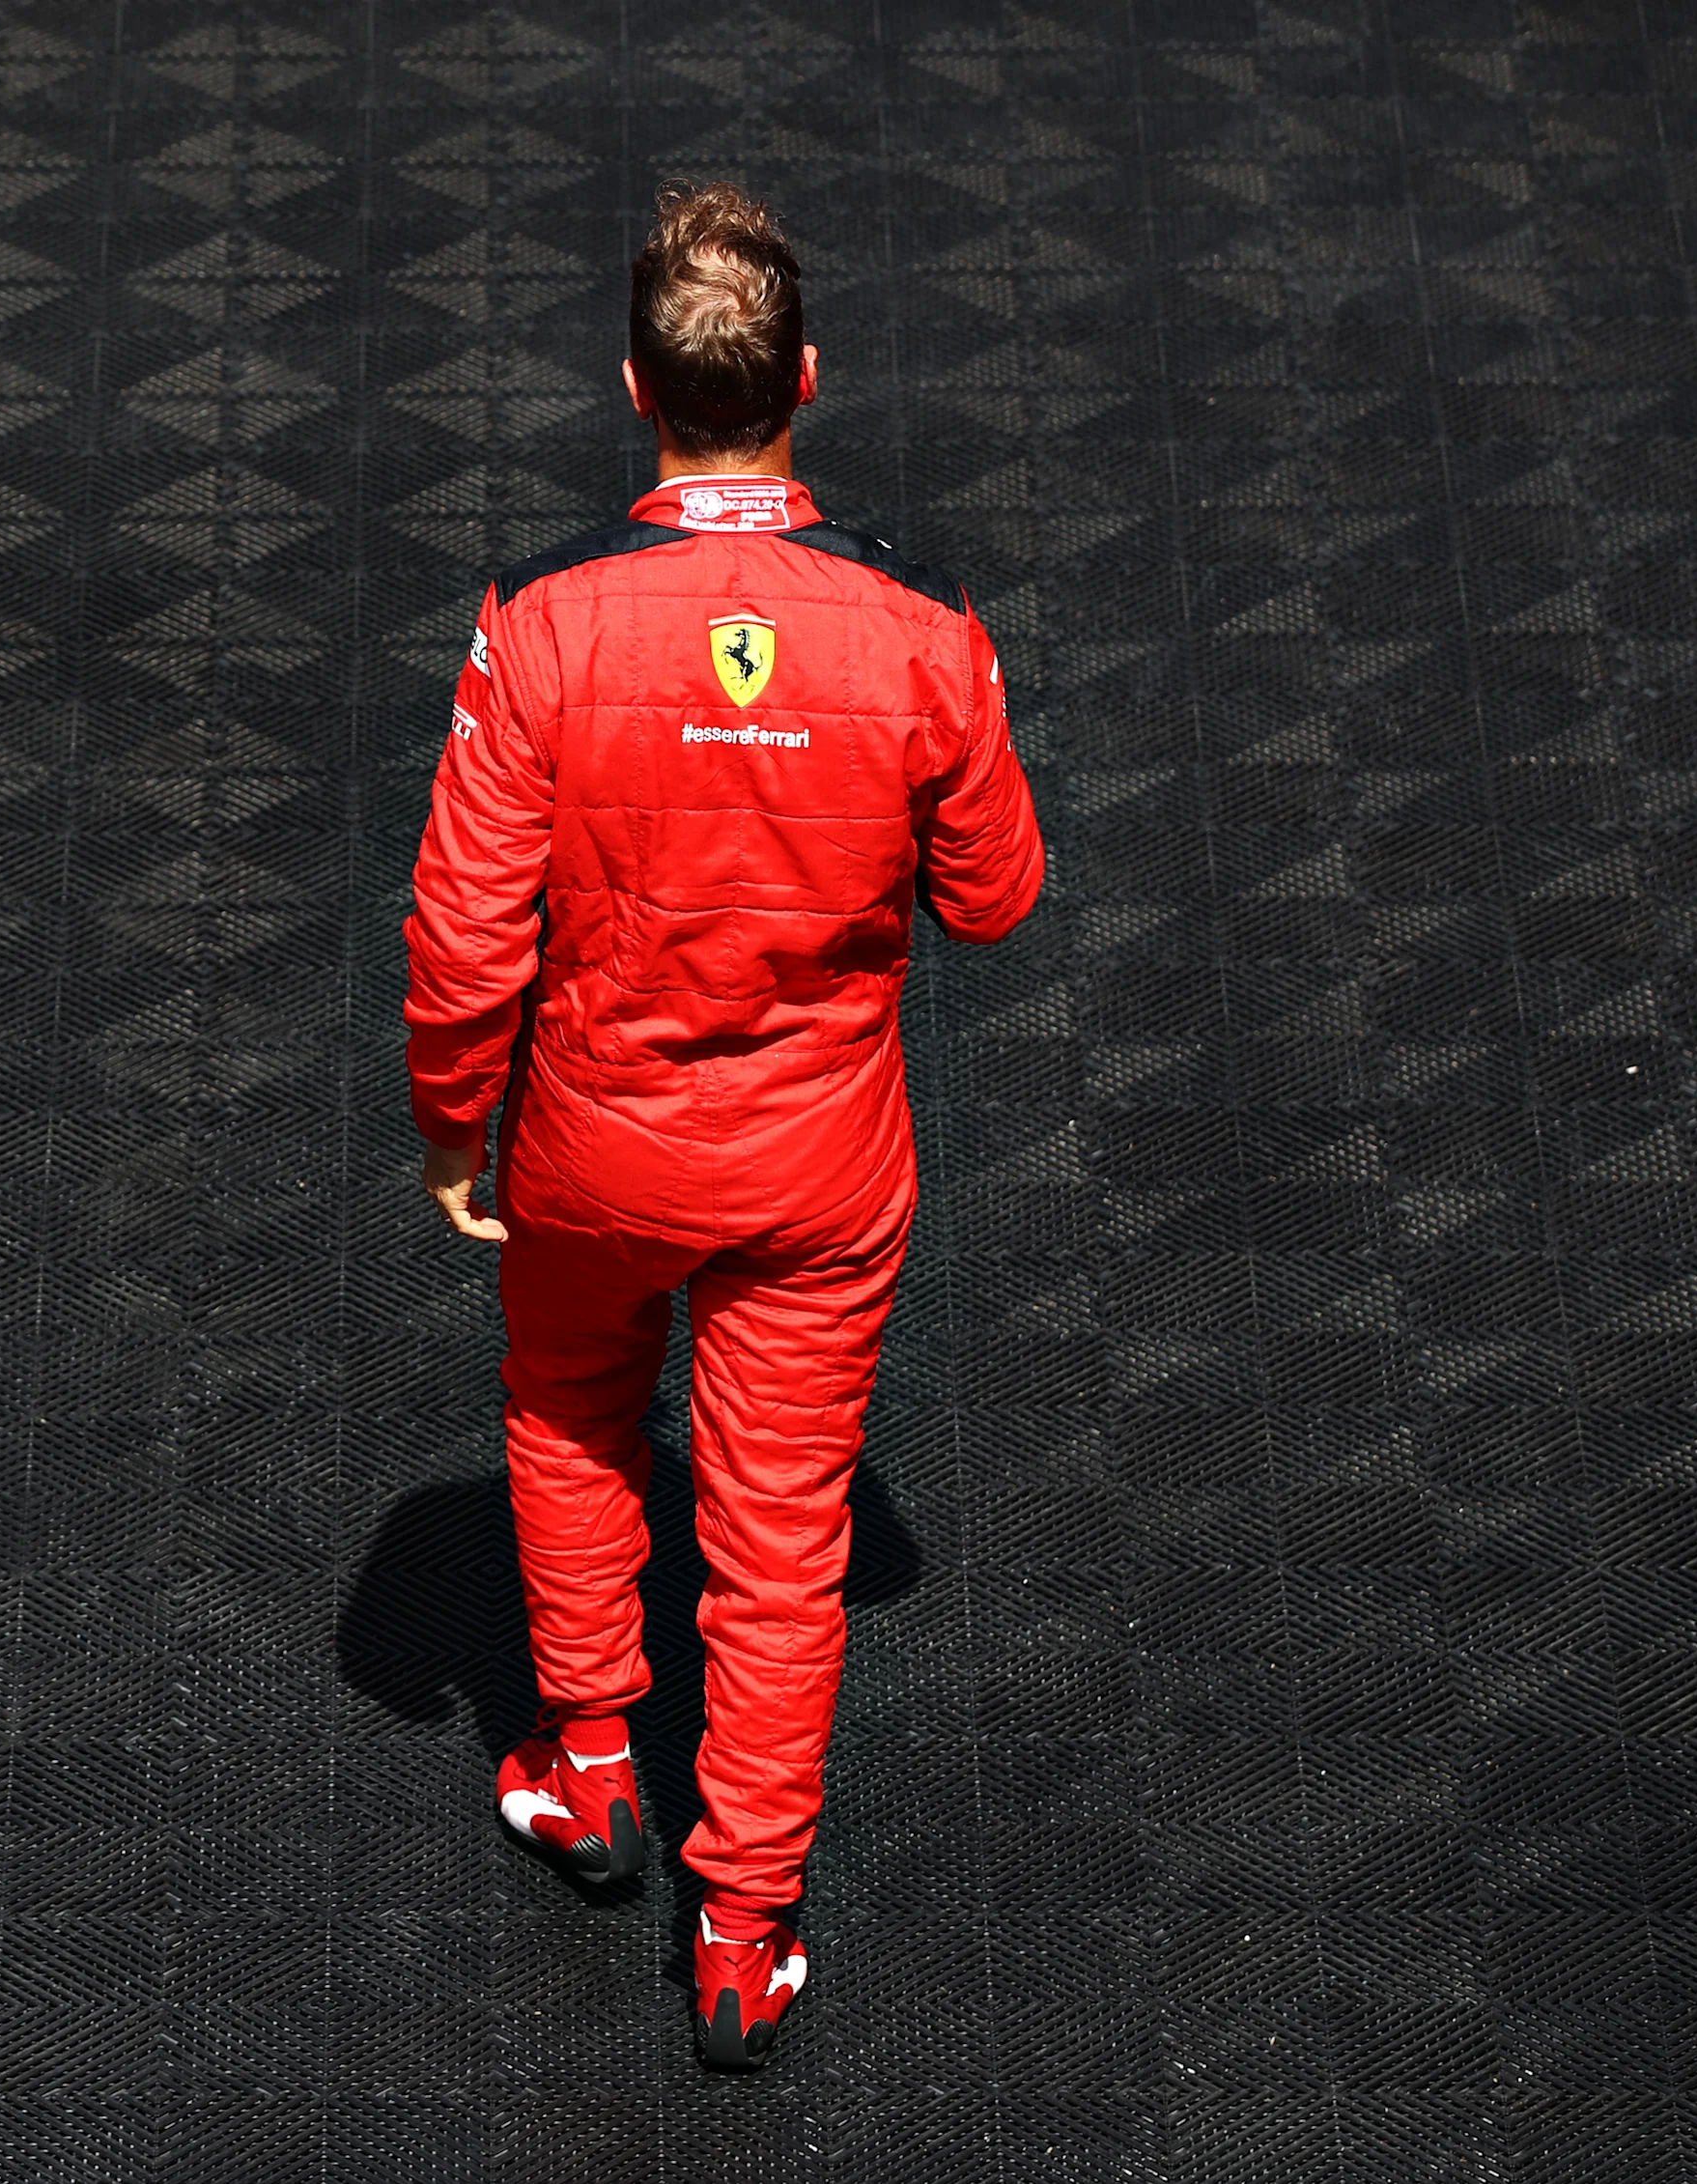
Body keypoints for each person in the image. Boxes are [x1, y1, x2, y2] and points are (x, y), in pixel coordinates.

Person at [401, 182, 1044, 2070]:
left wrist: (454, 1127)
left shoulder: (540, 622)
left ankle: (585, 1760)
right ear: (806, 379)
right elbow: (996, 896)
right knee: (780, 1544)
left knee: (569, 1412)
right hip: (820, 1167)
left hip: (591, 1143)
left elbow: (461, 926)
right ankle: (746, 1930)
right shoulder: (921, 626)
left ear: (634, 389)